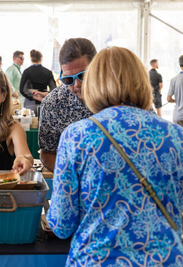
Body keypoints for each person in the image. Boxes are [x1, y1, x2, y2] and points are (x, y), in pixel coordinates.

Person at [48, 46, 183, 265]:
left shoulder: (76, 137)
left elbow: (62, 225)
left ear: (93, 83)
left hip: (97, 259)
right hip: (164, 259)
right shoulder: (177, 136)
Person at [39, 38, 96, 172]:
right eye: (68, 79)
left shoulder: (118, 94)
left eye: (83, 76)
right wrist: (74, 178)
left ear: (97, 67)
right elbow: (47, 154)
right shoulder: (53, 103)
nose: (77, 84)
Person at [20, 49, 56, 114]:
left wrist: (35, 96)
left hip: (30, 104)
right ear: (41, 58)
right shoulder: (48, 72)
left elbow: (22, 90)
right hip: (45, 102)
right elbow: (54, 90)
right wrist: (42, 94)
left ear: (31, 58)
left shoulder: (27, 72)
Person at [167, 55, 183, 126]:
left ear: (180, 65)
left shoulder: (174, 80)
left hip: (178, 116)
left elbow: (168, 99)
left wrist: (175, 100)